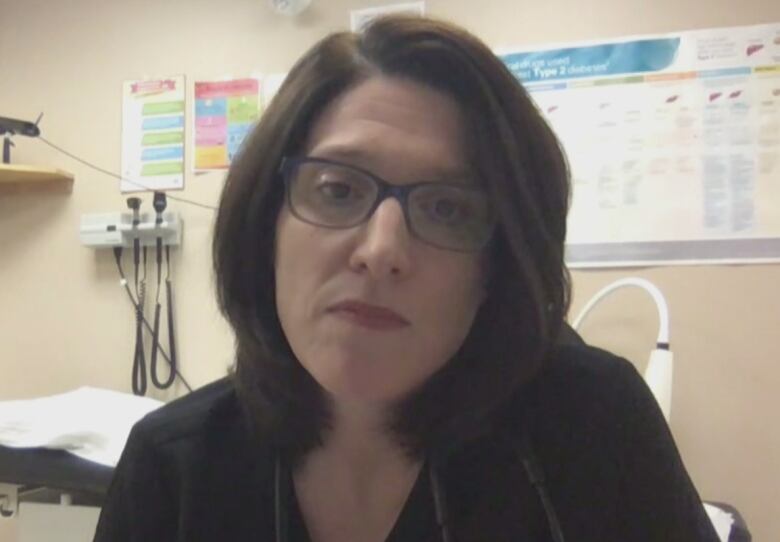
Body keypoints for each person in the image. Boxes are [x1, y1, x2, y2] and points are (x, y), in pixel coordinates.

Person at [94, 15, 719, 542]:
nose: (381, 250)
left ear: (496, 265)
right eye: (337, 189)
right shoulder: (172, 469)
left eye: (447, 208)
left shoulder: (594, 430)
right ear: (266, 226)